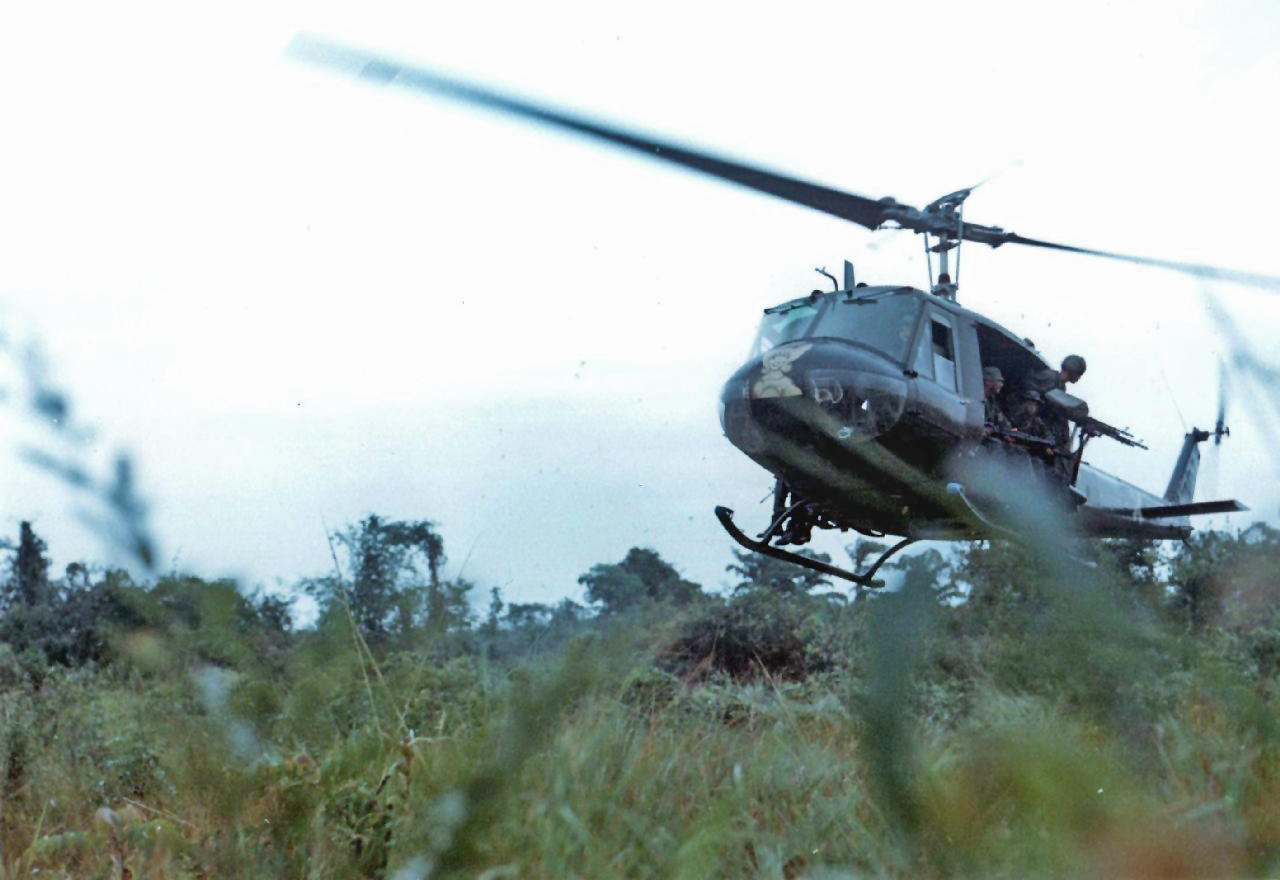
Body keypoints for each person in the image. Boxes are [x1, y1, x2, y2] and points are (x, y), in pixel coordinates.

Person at [982, 366, 1010, 431]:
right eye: (999, 381)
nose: (1002, 385)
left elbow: (1004, 423)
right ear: (987, 381)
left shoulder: (992, 402)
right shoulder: (974, 398)